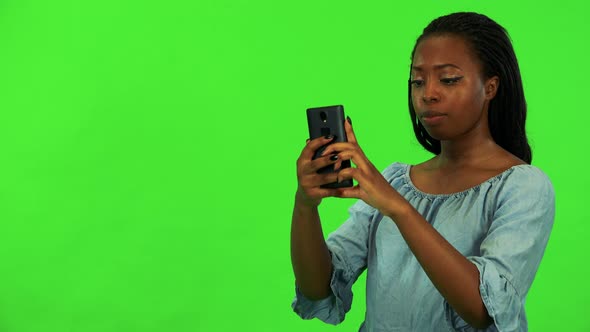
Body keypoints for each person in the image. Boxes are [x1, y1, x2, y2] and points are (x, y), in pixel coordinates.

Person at [290, 12, 555, 331]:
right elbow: (317, 288)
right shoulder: (394, 181)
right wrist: (305, 204)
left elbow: (484, 309)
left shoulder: (523, 186)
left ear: (491, 87)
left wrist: (399, 208)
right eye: (418, 81)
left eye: (449, 79)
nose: (428, 93)